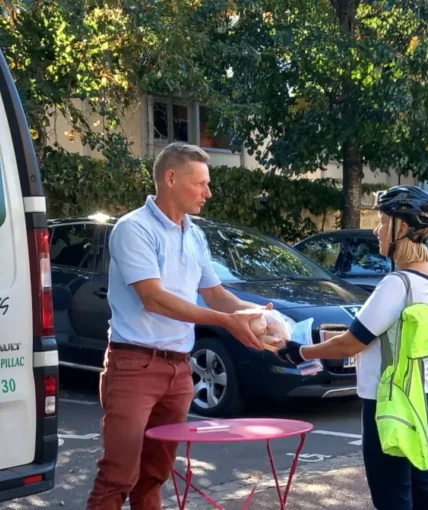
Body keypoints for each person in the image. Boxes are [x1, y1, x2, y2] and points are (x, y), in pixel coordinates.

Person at [86, 142, 271, 510]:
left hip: (179, 369)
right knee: (119, 476)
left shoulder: (195, 233)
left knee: (155, 473)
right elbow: (153, 298)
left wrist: (261, 315)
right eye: (201, 183)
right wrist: (227, 322)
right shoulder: (133, 228)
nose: (209, 192)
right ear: (170, 178)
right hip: (134, 366)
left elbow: (216, 294)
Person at [277, 185, 428, 510]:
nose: (377, 229)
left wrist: (299, 351)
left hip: (389, 402)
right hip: (421, 397)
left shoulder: (397, 284)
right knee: (420, 490)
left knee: (392, 496)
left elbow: (354, 341)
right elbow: (384, 336)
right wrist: (332, 342)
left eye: (383, 222)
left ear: (403, 228)